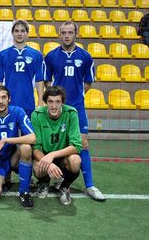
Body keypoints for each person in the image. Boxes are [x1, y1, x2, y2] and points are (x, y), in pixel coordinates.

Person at [44, 21, 105, 202]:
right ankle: (60, 180)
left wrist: (76, 99)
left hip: (77, 107)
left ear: (76, 34)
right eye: (64, 32)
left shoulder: (86, 57)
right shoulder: (51, 56)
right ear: (59, 34)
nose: (67, 36)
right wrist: (57, 101)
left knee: (83, 143)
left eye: (70, 32)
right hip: (57, 107)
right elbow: (48, 82)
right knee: (58, 143)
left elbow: (87, 83)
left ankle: (90, 185)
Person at [0, 86, 36, 208]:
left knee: (25, 148)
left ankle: (24, 192)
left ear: (9, 99)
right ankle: (3, 178)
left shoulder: (17, 111)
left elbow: (33, 137)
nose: (1, 101)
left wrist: (5, 140)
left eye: (4, 97)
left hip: (12, 159)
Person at [31, 86, 82, 206]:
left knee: (75, 160)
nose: (54, 106)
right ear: (45, 102)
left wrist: (52, 155)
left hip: (63, 156)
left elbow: (76, 146)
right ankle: (44, 182)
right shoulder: (37, 115)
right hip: (44, 155)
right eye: (50, 102)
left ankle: (64, 187)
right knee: (37, 168)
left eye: (58, 102)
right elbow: (36, 148)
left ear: (62, 102)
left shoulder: (71, 113)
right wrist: (48, 163)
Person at [0, 19, 44, 118]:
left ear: (27, 34)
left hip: (28, 103)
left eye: (22, 31)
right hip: (8, 104)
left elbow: (39, 81)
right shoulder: (3, 55)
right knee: (11, 133)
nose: (19, 34)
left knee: (29, 133)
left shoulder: (36, 54)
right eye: (16, 31)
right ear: (12, 33)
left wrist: (40, 102)